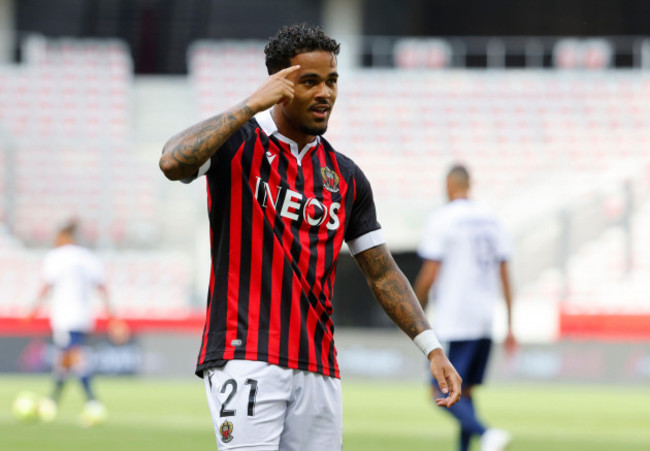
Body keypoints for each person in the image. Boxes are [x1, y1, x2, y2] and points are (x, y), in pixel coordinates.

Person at [159, 23, 461, 450]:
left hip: (319, 363)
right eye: (310, 81)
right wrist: (248, 107)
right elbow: (172, 162)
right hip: (246, 354)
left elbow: (382, 273)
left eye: (332, 81)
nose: (325, 93)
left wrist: (432, 348)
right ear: (279, 85)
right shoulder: (237, 145)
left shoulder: (346, 176)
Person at [413, 164, 517, 451]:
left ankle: (487, 433)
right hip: (485, 319)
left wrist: (413, 312)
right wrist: (510, 324)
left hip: (454, 319)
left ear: (449, 184)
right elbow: (506, 275)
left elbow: (429, 273)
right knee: (465, 392)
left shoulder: (444, 219)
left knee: (440, 390)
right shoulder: (493, 220)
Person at [27, 220, 123, 424]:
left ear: (63, 236)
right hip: (83, 316)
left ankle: (93, 402)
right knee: (65, 360)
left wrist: (32, 310)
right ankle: (52, 402)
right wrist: (113, 317)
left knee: (74, 357)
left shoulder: (55, 257)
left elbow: (46, 285)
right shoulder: (88, 258)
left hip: (65, 316)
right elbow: (102, 288)